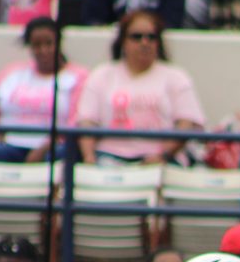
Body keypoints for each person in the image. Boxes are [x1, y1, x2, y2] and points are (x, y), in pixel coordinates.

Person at [75, 9, 205, 165]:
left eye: (151, 37)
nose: (145, 43)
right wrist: (89, 158)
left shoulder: (176, 77)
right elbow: (87, 122)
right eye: (136, 37)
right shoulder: (101, 75)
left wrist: (162, 157)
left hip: (162, 160)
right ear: (123, 41)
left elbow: (186, 124)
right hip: (109, 157)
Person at [0, 17, 86, 164]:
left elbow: (75, 122)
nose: (43, 50)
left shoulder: (78, 76)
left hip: (52, 148)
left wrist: (43, 149)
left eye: (49, 44)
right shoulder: (12, 72)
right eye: (36, 45)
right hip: (10, 145)